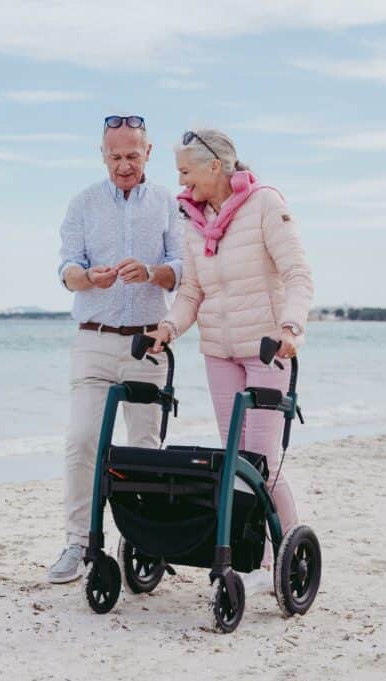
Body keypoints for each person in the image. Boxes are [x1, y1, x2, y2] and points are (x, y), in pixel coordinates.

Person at [147, 128, 314, 594]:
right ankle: (249, 553)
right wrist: (168, 329)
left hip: (267, 349)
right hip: (219, 352)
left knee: (262, 463)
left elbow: (298, 274)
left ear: (215, 167)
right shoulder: (192, 217)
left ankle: (281, 557)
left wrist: (291, 328)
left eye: (185, 170)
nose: (181, 180)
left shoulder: (264, 204)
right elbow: (192, 292)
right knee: (236, 462)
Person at [48, 114, 184, 584]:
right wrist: (88, 278)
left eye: (132, 155)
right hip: (93, 340)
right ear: (102, 155)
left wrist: (150, 272)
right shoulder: (82, 203)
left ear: (147, 153)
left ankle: (144, 543)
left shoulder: (169, 203)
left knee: (144, 449)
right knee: (83, 440)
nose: (124, 165)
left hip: (148, 342)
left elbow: (182, 269)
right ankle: (78, 543)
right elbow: (66, 267)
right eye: (115, 156)